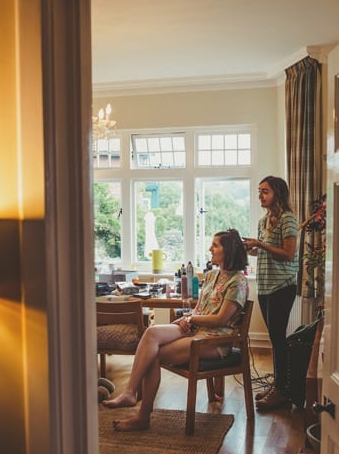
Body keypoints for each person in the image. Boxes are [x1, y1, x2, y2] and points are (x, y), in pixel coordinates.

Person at [102, 229, 250, 431]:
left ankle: (143, 416)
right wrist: (183, 320)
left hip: (214, 339)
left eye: (215, 245)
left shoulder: (238, 281)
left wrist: (191, 318)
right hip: (195, 328)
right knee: (151, 333)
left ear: (230, 250)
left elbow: (220, 319)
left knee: (153, 355)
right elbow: (201, 308)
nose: (210, 249)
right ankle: (129, 392)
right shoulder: (212, 275)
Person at [242, 176, 299, 411]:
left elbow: (288, 254)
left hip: (282, 287)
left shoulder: (288, 219)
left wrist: (261, 244)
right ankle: (277, 385)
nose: (260, 195)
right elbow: (266, 253)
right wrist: (251, 249)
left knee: (278, 338)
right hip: (265, 287)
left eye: (265, 191)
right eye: (259, 191)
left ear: (278, 193)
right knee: (275, 338)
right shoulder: (263, 221)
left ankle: (282, 392)